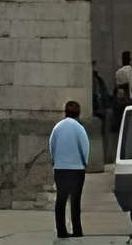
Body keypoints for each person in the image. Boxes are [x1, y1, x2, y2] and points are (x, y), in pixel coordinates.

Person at [49, 97, 91, 238]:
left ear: (65, 112)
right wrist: (85, 162)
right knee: (75, 200)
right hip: (76, 169)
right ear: (78, 113)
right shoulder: (79, 128)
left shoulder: (58, 127)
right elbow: (85, 146)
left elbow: (52, 145)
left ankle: (61, 230)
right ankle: (77, 230)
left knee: (60, 199)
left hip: (60, 168)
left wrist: (55, 160)